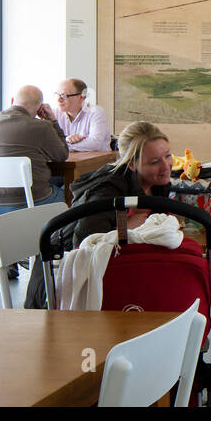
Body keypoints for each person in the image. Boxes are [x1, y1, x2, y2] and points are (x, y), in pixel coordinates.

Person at [23, 121, 175, 309]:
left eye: (168, 156)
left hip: (110, 271)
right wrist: (125, 228)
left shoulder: (158, 183)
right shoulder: (106, 191)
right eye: (154, 162)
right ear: (132, 164)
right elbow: (84, 242)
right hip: (62, 278)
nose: (166, 166)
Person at [0, 85, 68, 217]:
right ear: (40, 108)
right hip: (29, 203)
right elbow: (62, 154)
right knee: (74, 194)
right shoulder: (41, 126)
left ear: (12, 101)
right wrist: (52, 121)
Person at [51, 78, 111, 152]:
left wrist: (64, 145)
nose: (58, 99)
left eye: (64, 96)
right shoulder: (54, 113)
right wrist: (66, 141)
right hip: (69, 161)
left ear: (81, 97)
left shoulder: (96, 112)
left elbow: (95, 144)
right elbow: (47, 142)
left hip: (97, 161)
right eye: (57, 94)